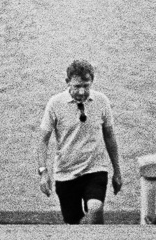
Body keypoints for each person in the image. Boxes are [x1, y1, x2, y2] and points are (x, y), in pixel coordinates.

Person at [36, 59, 123, 224]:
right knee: (74, 224)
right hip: (66, 173)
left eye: (86, 85)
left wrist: (117, 172)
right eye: (77, 86)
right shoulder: (55, 104)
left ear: (92, 82)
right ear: (67, 82)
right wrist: (43, 173)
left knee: (95, 208)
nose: (82, 92)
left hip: (95, 169)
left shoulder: (102, 101)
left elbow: (110, 136)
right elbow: (43, 141)